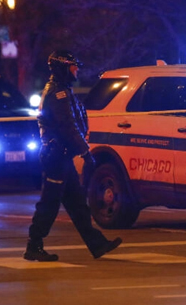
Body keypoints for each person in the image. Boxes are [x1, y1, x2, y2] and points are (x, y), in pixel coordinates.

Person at [24, 50, 122, 262]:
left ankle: (97, 245)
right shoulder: (57, 93)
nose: (76, 70)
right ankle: (34, 245)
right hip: (56, 157)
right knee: (49, 204)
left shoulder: (63, 90)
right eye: (72, 66)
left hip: (63, 156)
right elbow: (68, 126)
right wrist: (85, 151)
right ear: (62, 67)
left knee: (78, 204)